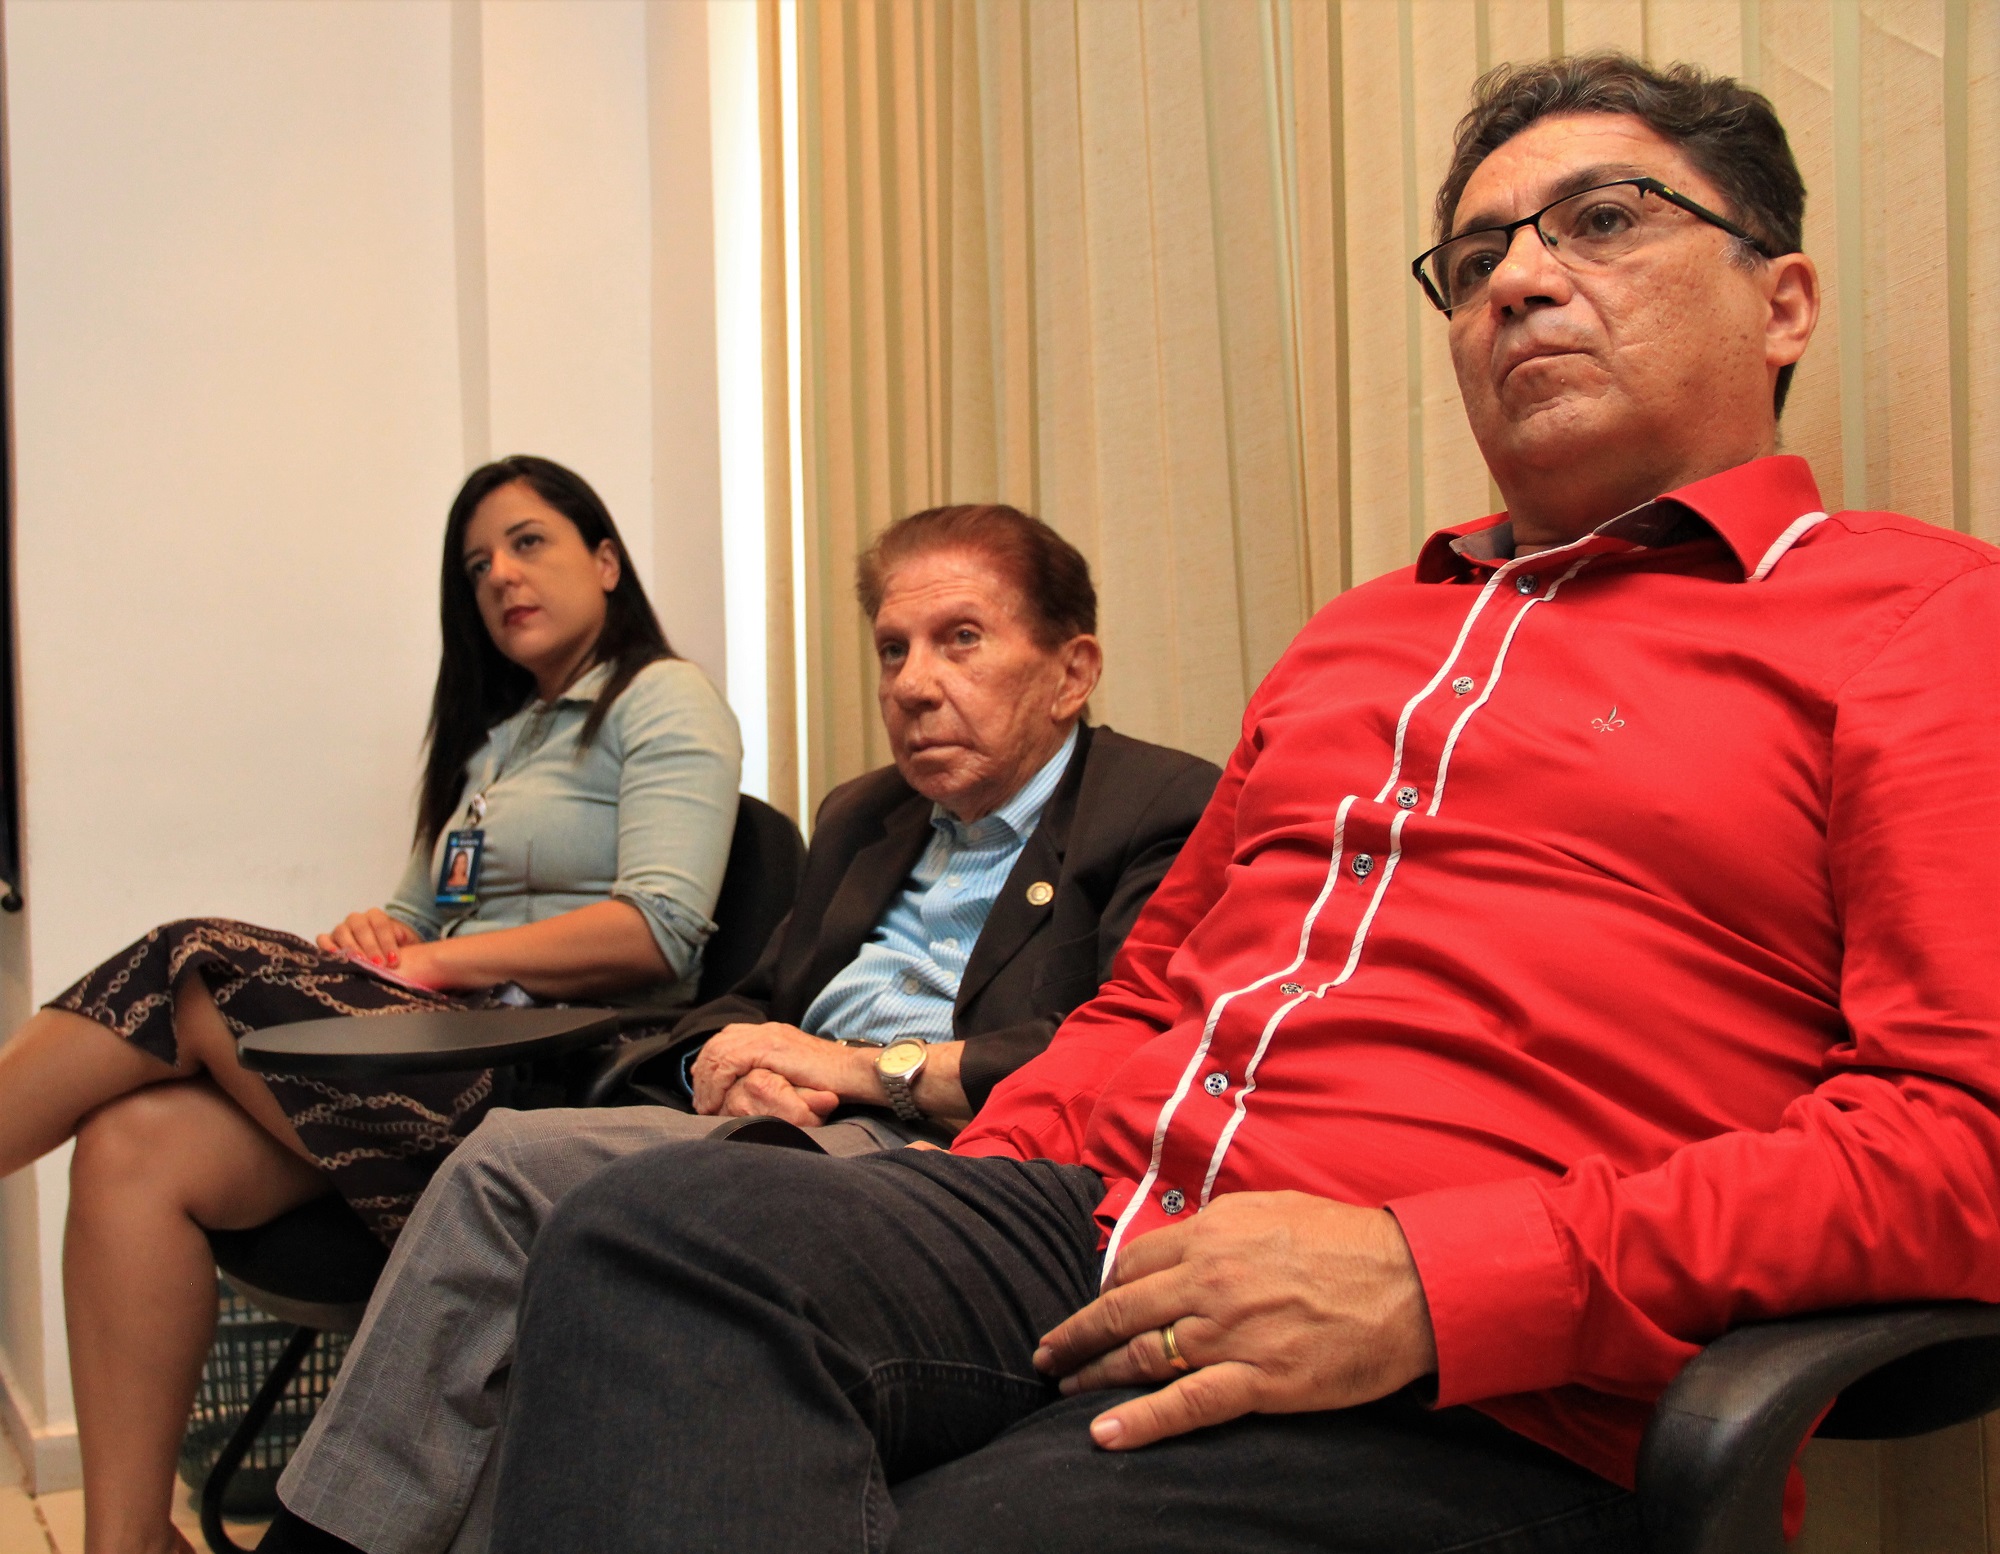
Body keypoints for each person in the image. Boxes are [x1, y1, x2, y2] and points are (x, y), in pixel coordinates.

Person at [487, 53, 2000, 1554]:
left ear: (1780, 302)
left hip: (1488, 1387)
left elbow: (1963, 1142)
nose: (1521, 283)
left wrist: (1434, 1276)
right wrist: (962, 1202)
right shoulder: (1359, 636)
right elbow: (1153, 989)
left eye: (1603, 221)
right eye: (1477, 259)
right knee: (652, 1236)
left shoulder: (1921, 622)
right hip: (1095, 1221)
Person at [255, 504, 1219, 1554]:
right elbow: (749, 1002)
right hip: (789, 1122)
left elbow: (1133, 1051)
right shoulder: (866, 815)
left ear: (1073, 672)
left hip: (954, 1156)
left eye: (961, 640)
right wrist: (719, 1063)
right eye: (892, 649)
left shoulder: (1158, 806)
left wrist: (863, 1070)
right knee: (513, 1203)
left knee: (512, 1173)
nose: (911, 684)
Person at [0, 454, 740, 1554]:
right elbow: (415, 918)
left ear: (604, 561)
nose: (500, 576)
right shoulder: (496, 745)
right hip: (434, 1054)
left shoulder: (663, 698)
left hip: (547, 1079)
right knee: (130, 1143)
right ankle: (129, 1543)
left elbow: (658, 930)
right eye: (477, 565)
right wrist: (378, 936)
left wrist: (445, 961)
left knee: (188, 963)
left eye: (528, 543)